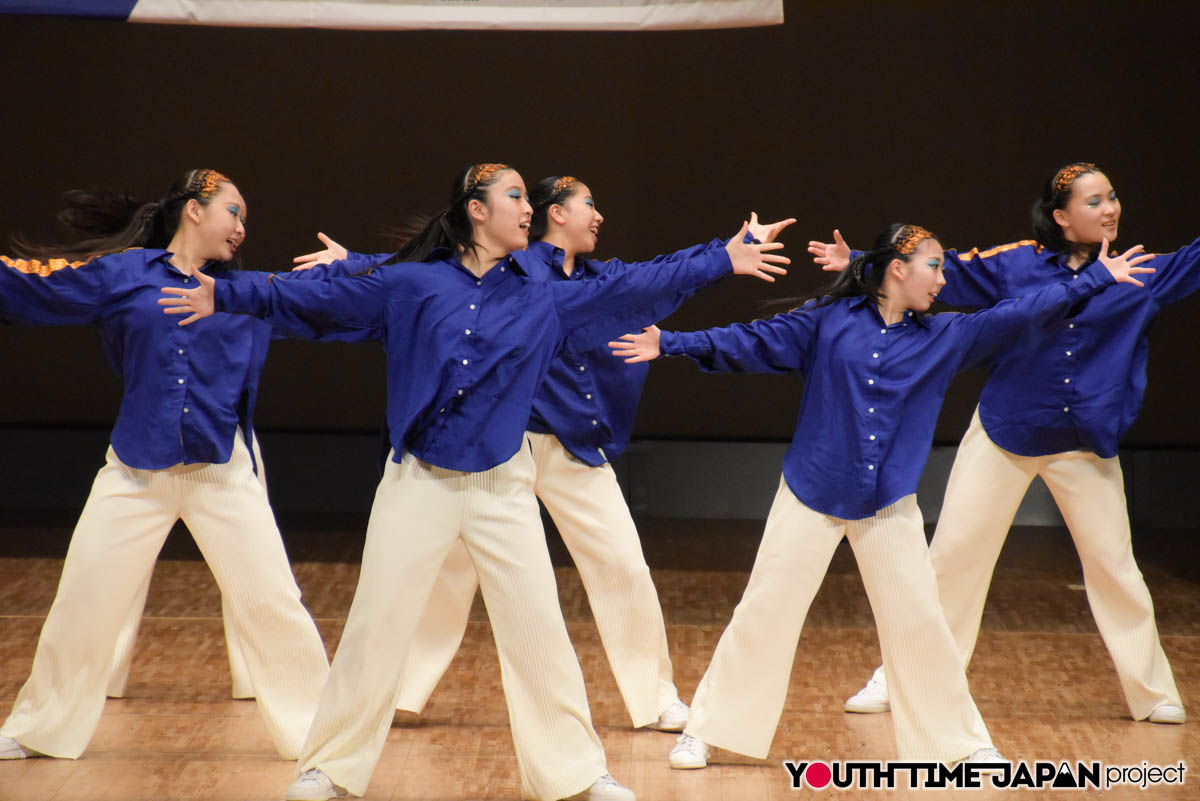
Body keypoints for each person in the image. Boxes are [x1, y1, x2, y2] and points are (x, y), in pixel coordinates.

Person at [159, 163, 790, 801]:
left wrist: (721, 258)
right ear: (477, 211)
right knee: (376, 627)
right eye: (513, 196)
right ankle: (329, 767)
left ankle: (574, 771)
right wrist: (227, 295)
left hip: (501, 488)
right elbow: (320, 301)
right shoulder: (414, 284)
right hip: (418, 483)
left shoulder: (544, 295)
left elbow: (638, 284)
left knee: (539, 633)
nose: (527, 207)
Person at [609, 223, 1152, 770]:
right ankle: (706, 731)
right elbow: (750, 341)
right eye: (934, 266)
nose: (942, 279)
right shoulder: (827, 321)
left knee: (921, 624)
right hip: (812, 490)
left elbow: (1019, 312)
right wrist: (670, 344)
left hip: (888, 503)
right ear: (898, 268)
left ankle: (961, 744)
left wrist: (1096, 278)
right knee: (763, 613)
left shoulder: (946, 335)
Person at [293, 176, 796, 736]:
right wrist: (351, 263)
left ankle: (654, 698)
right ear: (556, 212)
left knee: (623, 566)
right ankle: (402, 693)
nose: (599, 216)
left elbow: (656, 274)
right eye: (588, 205)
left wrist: (723, 254)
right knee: (450, 574)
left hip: (574, 445)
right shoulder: (512, 270)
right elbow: (432, 270)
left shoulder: (601, 279)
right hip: (501, 448)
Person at [813, 164, 1190, 726]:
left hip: (1083, 442)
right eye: (1093, 202)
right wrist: (863, 264)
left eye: (1112, 196)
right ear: (1062, 217)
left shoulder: (1143, 271)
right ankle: (903, 680)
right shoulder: (1016, 263)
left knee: (1114, 566)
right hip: (1005, 432)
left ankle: (1154, 692)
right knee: (953, 558)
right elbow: (949, 269)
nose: (1110, 208)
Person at [0, 170, 341, 762]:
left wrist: (351, 267)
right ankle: (40, 727)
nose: (242, 226)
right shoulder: (125, 273)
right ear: (194, 211)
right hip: (135, 470)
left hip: (221, 474)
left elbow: (341, 304)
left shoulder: (247, 292)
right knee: (83, 600)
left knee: (272, 602)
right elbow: (32, 284)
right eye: (233, 211)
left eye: (244, 217)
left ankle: (321, 736)